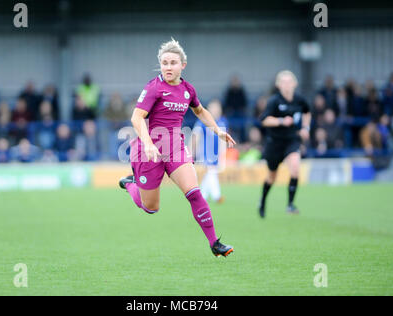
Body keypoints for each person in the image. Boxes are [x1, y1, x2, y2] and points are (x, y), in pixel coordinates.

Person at [119, 39, 236, 257]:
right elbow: (136, 118)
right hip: (150, 150)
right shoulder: (154, 88)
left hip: (175, 148)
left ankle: (214, 243)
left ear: (183, 65)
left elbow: (200, 111)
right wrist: (148, 144)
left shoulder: (187, 89)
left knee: (194, 193)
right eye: (164, 63)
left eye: (173, 62)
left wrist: (217, 131)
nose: (168, 67)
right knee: (151, 207)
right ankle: (130, 184)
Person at [258, 70, 311, 218]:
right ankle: (262, 201)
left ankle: (290, 204)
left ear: (295, 84)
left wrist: (306, 128)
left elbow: (307, 112)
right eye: (284, 82)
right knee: (272, 177)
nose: (287, 85)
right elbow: (264, 120)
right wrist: (281, 121)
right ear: (279, 85)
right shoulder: (274, 101)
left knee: (295, 168)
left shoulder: (300, 100)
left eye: (289, 82)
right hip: (274, 143)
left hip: (292, 140)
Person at [192, 99, 227, 203]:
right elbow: (196, 136)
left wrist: (222, 153)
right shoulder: (203, 121)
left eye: (218, 108)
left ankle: (202, 196)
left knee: (210, 173)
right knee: (211, 172)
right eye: (214, 107)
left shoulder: (222, 121)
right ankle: (217, 196)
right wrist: (192, 151)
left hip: (216, 153)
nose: (216, 110)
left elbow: (223, 139)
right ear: (209, 109)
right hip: (205, 153)